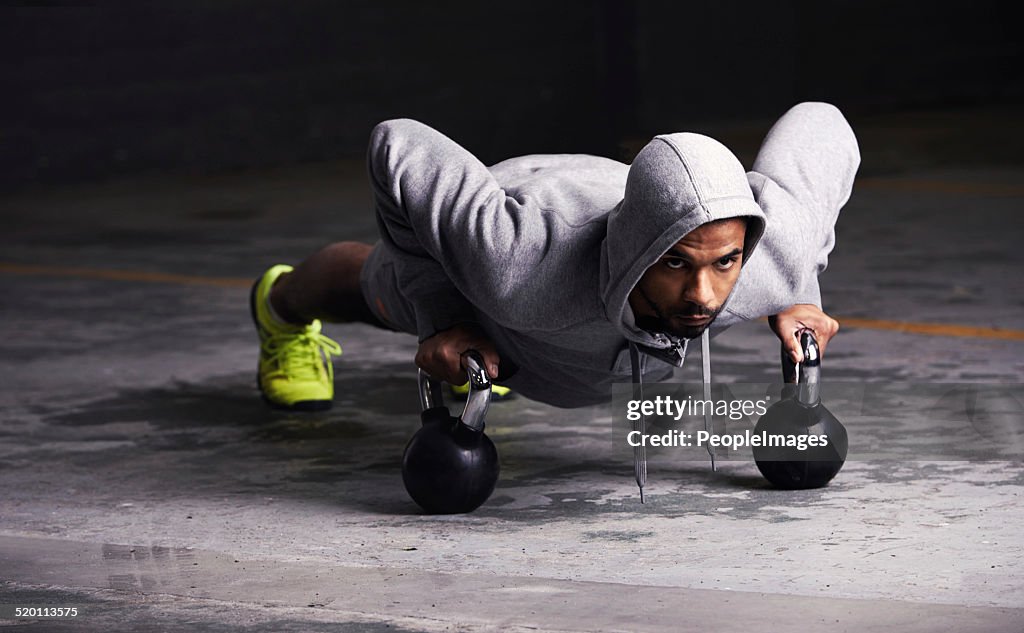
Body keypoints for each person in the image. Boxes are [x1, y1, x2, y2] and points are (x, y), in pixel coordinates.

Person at [250, 102, 858, 411]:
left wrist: (798, 287)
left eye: (723, 264)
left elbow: (822, 122)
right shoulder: (514, 264)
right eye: (675, 264)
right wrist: (442, 318)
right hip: (524, 207)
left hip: (620, 195)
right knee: (373, 288)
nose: (703, 295)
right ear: (640, 250)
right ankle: (277, 309)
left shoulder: (767, 256)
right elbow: (397, 143)